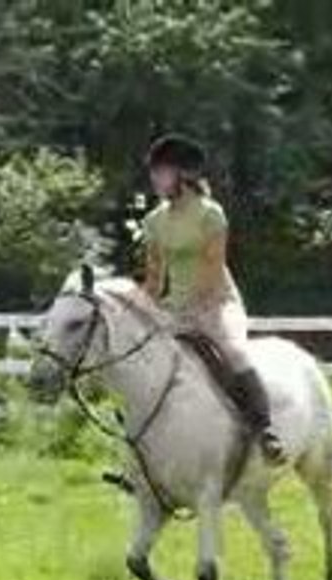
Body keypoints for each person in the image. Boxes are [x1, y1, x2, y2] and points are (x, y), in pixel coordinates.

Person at [139, 133, 285, 463]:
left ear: (182, 175)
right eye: (154, 172)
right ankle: (144, 451)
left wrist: (189, 310)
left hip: (217, 303)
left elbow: (212, 269)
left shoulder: (211, 215)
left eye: (160, 172)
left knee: (233, 351)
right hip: (174, 308)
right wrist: (139, 307)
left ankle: (264, 430)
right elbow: (154, 278)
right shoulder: (154, 221)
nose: (154, 178)